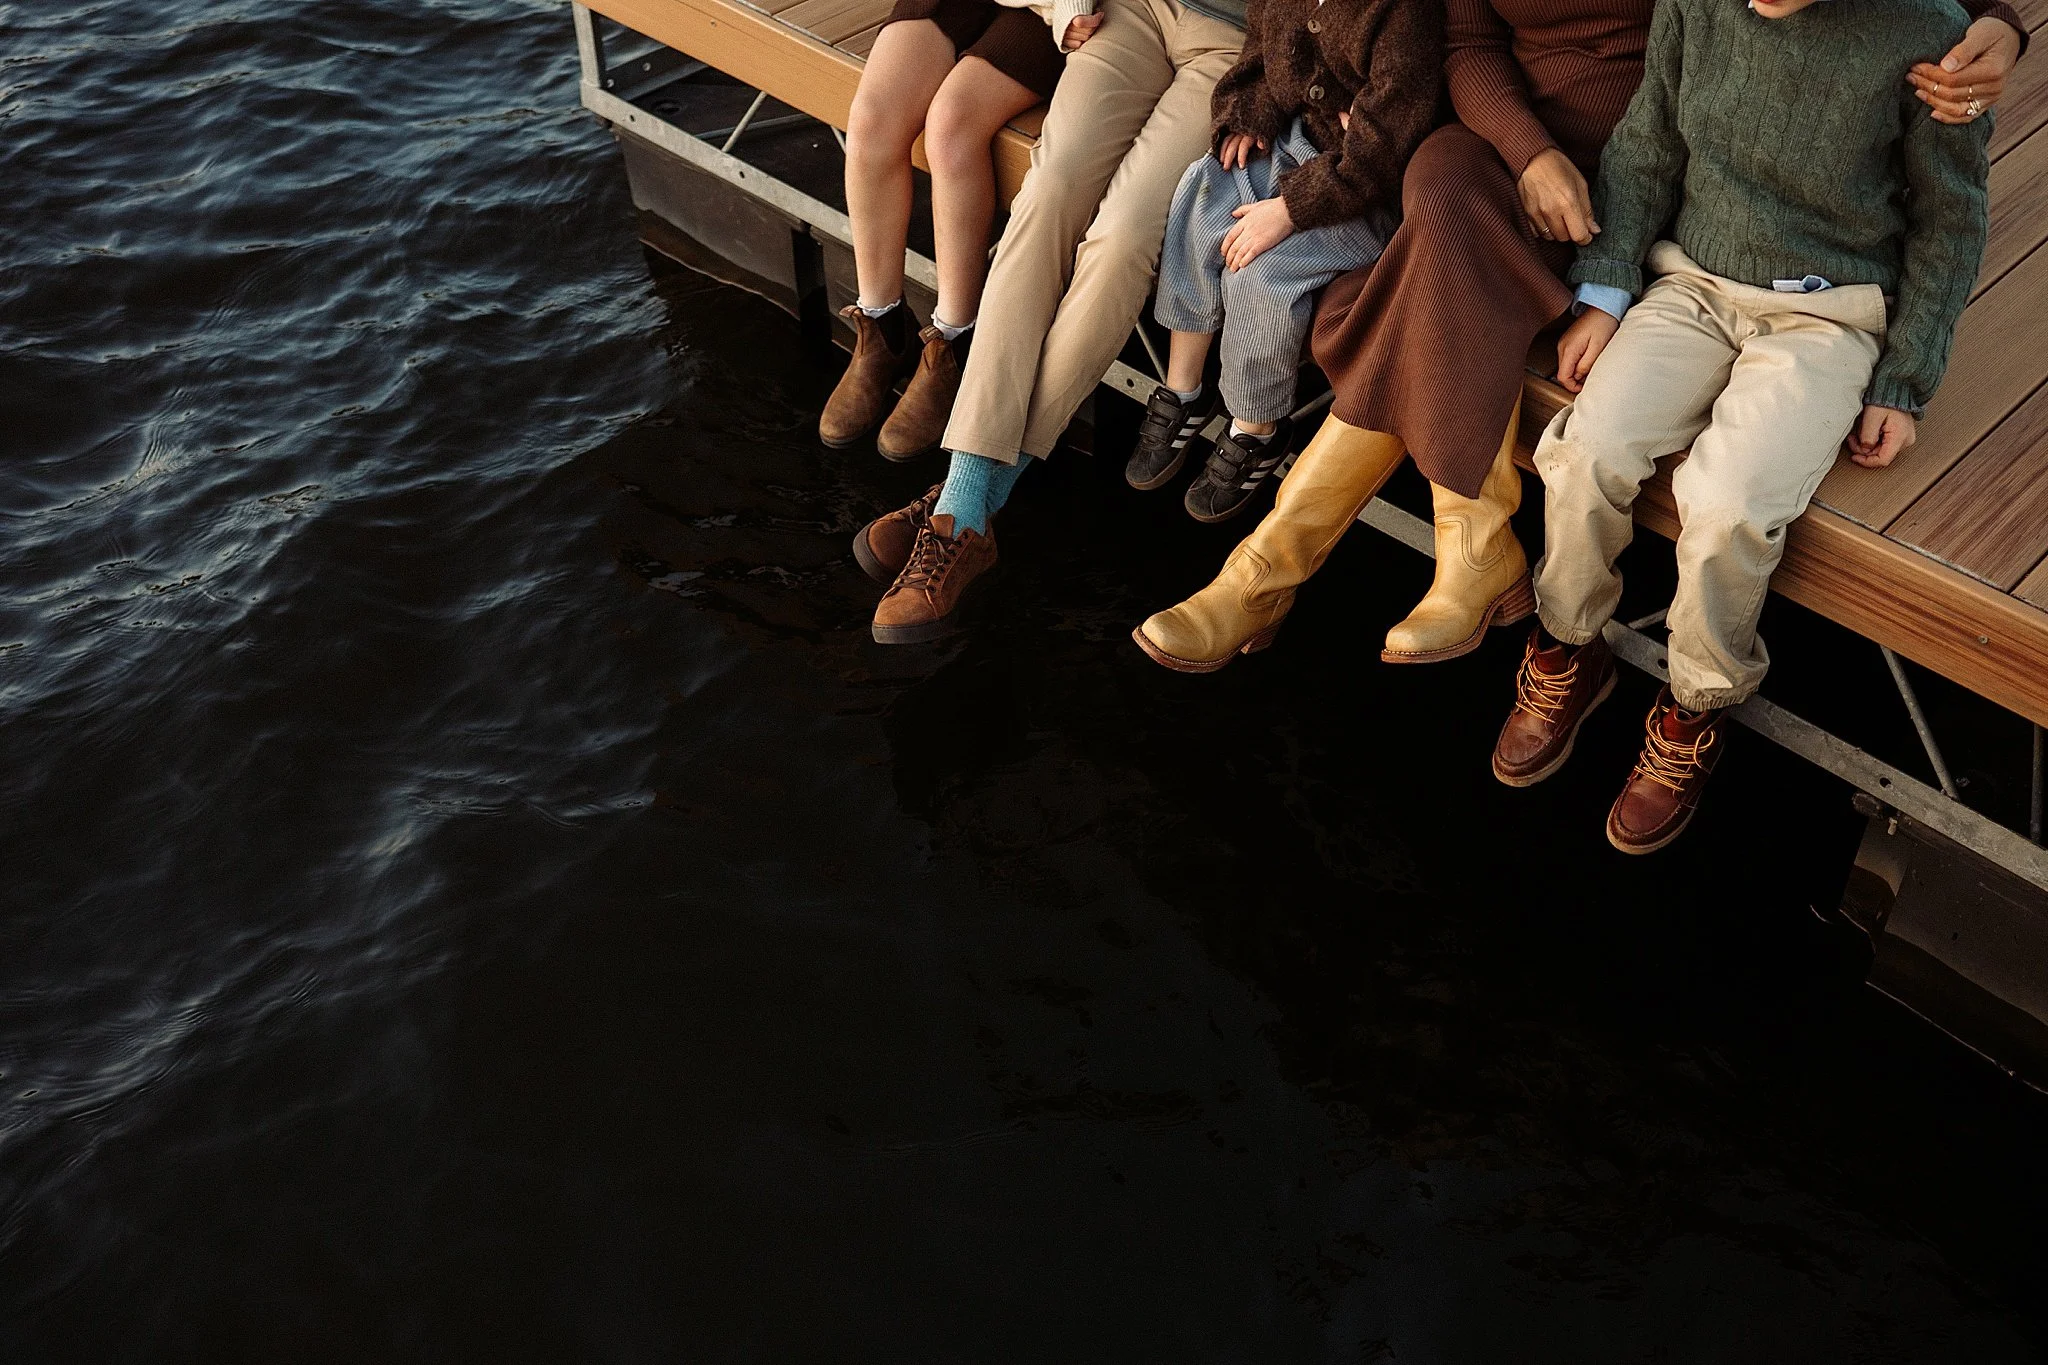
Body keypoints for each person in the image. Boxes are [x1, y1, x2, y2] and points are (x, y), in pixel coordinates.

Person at [1130, 0, 2025, 673]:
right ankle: (1460, 547)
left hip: (1656, 156)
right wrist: (1529, 151)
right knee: (1443, 195)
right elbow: (1468, 40)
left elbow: (1905, 20)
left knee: (1430, 280)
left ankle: (1272, 572)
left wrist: (2001, 26)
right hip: (1510, 132)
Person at [1492, 0, 1990, 854]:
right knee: (1585, 450)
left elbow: (1951, 221)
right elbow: (1648, 141)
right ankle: (1571, 639)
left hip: (1827, 316)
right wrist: (1606, 288)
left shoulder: (1926, 32)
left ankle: (1694, 705)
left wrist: (1903, 382)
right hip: (1692, 283)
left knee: (1727, 505)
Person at [852, 0, 1249, 643]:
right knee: (1047, 193)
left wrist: (1278, 84)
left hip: (1240, 43)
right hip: (1133, 11)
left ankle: (963, 500)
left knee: (1124, 238)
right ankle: (968, 503)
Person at [1121, 0, 1441, 537]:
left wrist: (1291, 209)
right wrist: (1247, 115)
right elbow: (1261, 54)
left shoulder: (1402, 14)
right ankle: (1184, 389)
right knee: (1204, 189)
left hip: (1363, 195)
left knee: (1260, 273)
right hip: (1294, 144)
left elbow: (1386, 146)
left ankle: (1256, 429)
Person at [819, 0, 1092, 461]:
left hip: (1051, 10)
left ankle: (952, 342)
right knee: (872, 117)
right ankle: (883, 329)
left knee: (950, 127)